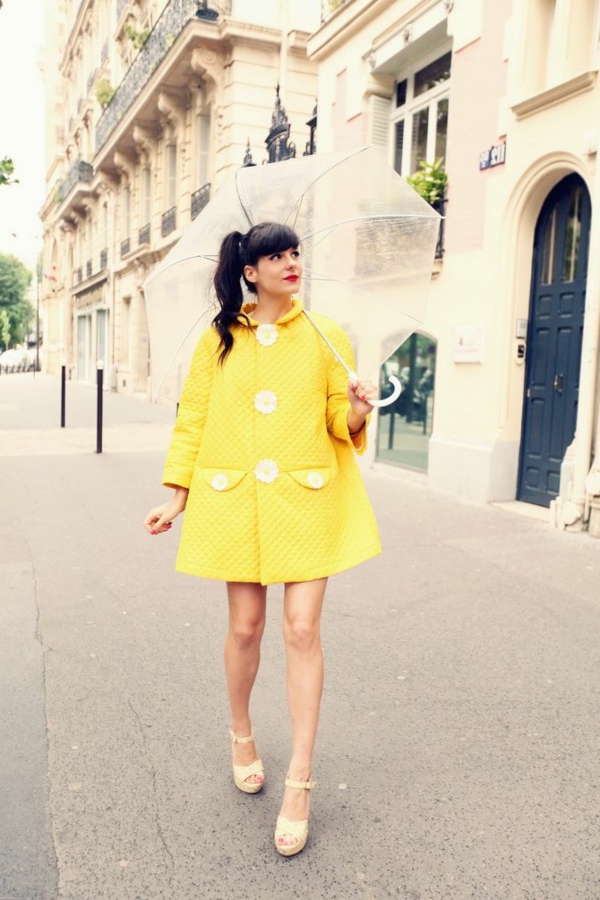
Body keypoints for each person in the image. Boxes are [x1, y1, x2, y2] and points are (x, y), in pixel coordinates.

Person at [143, 222, 381, 856]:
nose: (290, 263)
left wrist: (358, 406)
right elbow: (193, 417)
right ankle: (242, 734)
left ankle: (299, 780)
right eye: (276, 255)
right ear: (250, 270)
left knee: (302, 629)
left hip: (307, 498)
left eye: (295, 252)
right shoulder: (218, 339)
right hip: (236, 498)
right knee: (245, 626)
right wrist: (177, 494)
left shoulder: (327, 334)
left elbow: (340, 421)